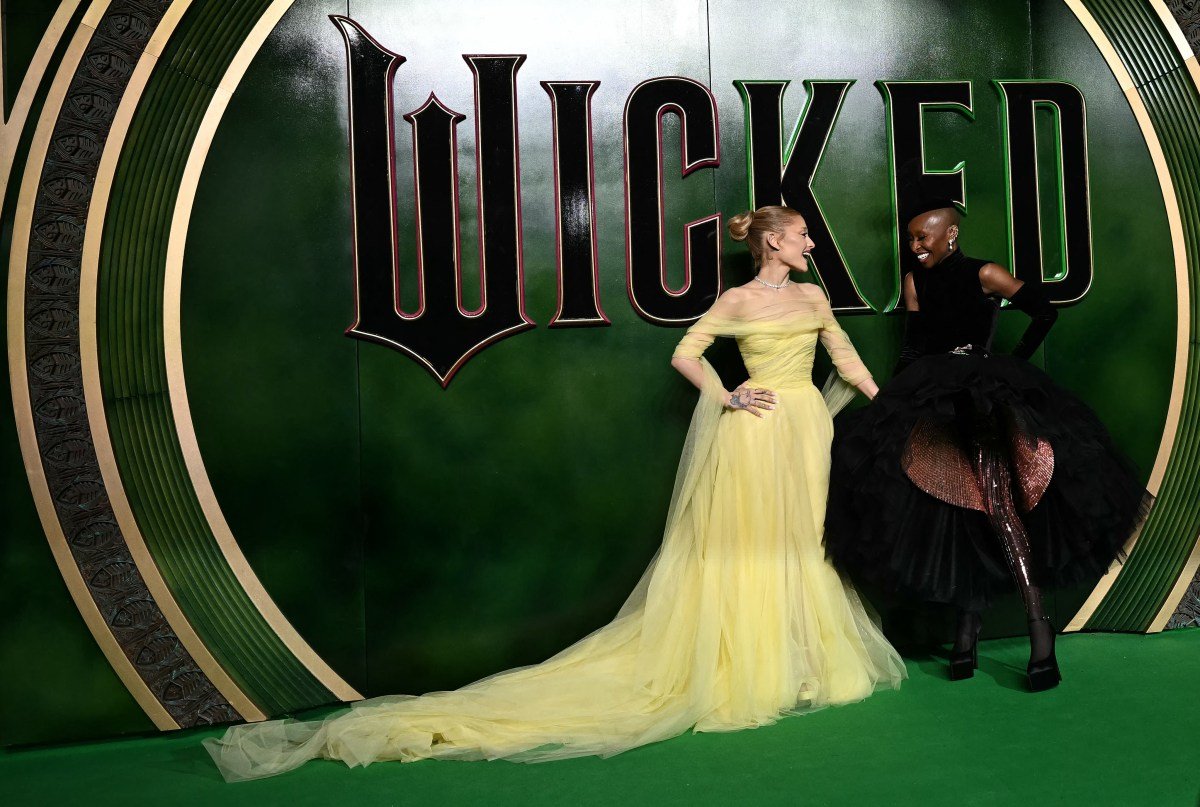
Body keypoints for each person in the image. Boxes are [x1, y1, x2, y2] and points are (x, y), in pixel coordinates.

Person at [203, 206, 905, 781]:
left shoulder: (814, 297)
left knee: (801, 538)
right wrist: (727, 394)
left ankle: (799, 660)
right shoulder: (735, 300)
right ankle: (754, 666)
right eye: (803, 234)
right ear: (774, 241)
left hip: (806, 428)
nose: (812, 243)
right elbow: (684, 354)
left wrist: (893, 408)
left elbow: (846, 359)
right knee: (744, 546)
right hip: (755, 434)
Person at [823, 199, 1147, 691]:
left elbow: (1043, 312)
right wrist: (897, 400)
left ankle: (1037, 626)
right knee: (953, 504)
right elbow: (912, 346)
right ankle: (967, 628)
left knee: (997, 502)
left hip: (982, 398)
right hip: (933, 398)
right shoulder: (914, 281)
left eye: (923, 237)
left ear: (950, 234)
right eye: (910, 238)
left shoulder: (985, 273)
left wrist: (1006, 365)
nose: (914, 246)